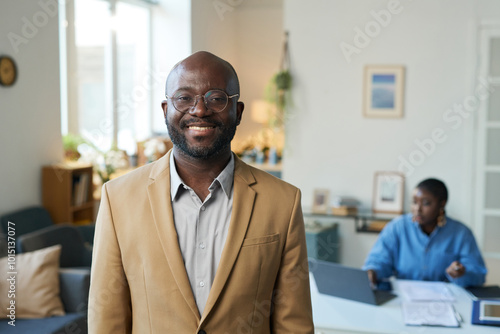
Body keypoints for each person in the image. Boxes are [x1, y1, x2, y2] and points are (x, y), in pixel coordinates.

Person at [88, 51, 314, 333]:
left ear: (238, 111)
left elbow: (294, 323)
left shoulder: (284, 202)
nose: (199, 110)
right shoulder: (117, 199)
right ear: (165, 110)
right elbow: (106, 319)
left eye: (216, 98)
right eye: (184, 98)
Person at [363, 178, 487, 288]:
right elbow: (379, 260)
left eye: (426, 203)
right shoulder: (397, 227)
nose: (418, 209)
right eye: (414, 202)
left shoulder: (461, 233)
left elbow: (479, 275)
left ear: (442, 204)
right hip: (404, 298)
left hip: (445, 301)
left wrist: (461, 273)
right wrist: (372, 271)